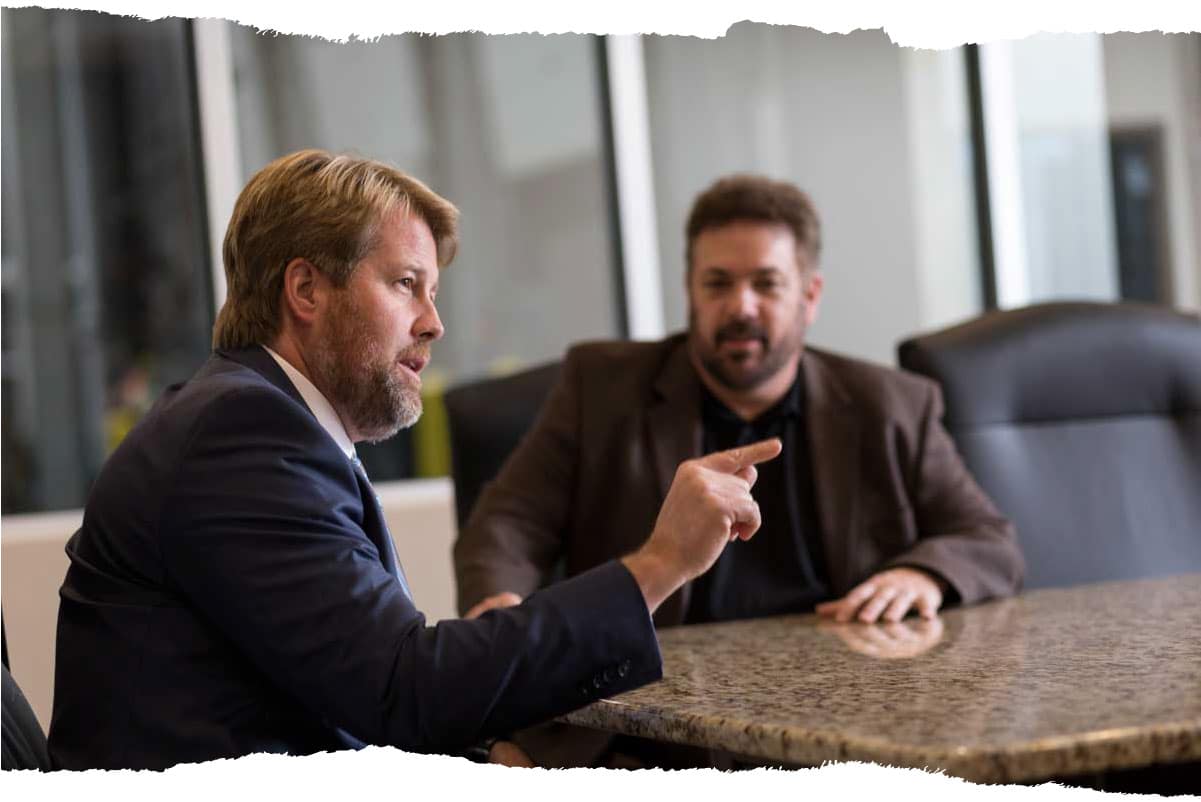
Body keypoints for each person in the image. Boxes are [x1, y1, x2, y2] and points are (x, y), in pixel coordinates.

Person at [46, 150, 784, 771]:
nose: (433, 323)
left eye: (431, 292)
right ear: (305, 289)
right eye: (405, 285)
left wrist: (490, 748)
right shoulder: (241, 433)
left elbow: (367, 683)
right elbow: (405, 688)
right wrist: (659, 564)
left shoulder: (260, 420)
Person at [454, 174, 1025, 767]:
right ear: (690, 292)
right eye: (718, 283)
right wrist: (500, 608)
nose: (741, 306)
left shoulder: (891, 405)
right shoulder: (600, 388)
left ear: (810, 294)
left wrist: (923, 575)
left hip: (843, 727)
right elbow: (507, 524)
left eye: (766, 284)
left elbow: (989, 540)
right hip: (646, 729)